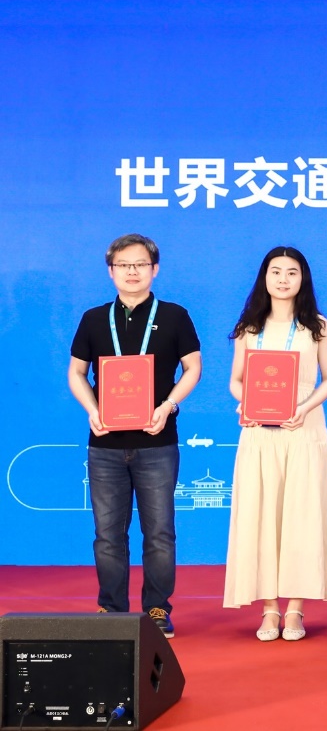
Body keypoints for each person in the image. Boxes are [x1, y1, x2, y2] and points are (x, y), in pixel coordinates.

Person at [68, 234, 202, 636]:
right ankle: (111, 610)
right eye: (123, 264)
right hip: (105, 443)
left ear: (154, 269)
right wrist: (92, 410)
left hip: (157, 440)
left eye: (140, 264)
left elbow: (193, 368)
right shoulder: (94, 319)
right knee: (108, 534)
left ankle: (157, 609)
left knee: (159, 532)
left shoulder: (175, 316)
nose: (132, 271)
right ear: (111, 271)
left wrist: (169, 405)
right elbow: (77, 372)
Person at [223, 246, 327, 641]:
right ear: (264, 277)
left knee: (301, 516)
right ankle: (269, 609)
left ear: (302, 278)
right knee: (262, 515)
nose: (283, 279)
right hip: (260, 431)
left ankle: (295, 608)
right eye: (275, 271)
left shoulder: (317, 326)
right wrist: (247, 403)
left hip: (303, 428)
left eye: (292, 272)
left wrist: (304, 408)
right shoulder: (249, 327)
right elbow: (236, 381)